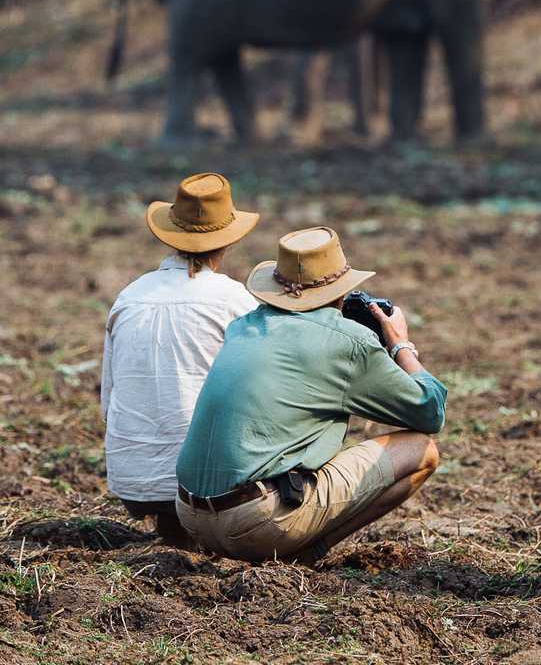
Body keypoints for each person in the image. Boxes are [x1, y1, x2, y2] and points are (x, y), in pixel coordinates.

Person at [174, 226, 446, 563]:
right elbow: (430, 411)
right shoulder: (347, 341)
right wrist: (400, 345)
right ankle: (305, 554)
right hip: (258, 523)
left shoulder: (244, 325)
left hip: (190, 516)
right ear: (341, 293)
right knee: (421, 450)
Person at [101, 172, 260, 548]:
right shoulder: (234, 299)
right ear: (228, 241)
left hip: (132, 481)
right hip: (205, 484)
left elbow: (108, 404)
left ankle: (176, 528)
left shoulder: (130, 296)